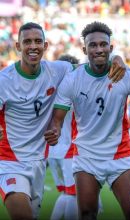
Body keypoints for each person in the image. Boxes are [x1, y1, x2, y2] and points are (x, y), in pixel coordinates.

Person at [44, 21, 130, 220]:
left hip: (120, 154)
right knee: (86, 213)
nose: (99, 49)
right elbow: (57, 118)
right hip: (86, 156)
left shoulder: (124, 75)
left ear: (111, 47)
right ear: (85, 49)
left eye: (103, 44)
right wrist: (55, 131)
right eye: (93, 45)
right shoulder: (73, 79)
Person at [48, 54, 79, 220]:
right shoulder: (73, 91)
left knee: (66, 193)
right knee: (72, 195)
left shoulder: (49, 91)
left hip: (52, 151)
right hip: (69, 150)